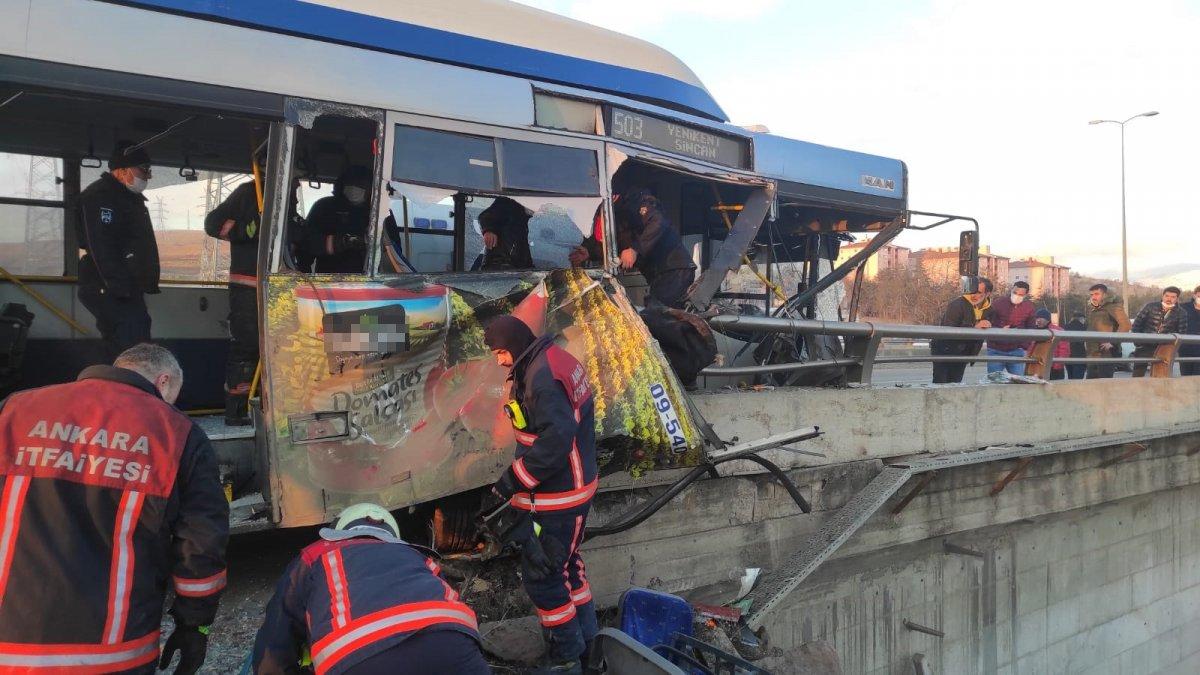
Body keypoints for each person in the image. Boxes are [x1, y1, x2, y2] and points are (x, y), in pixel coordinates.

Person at [0, 344, 228, 674]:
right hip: (113, 652)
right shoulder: (175, 432)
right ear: (163, 383)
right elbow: (201, 542)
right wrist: (195, 626)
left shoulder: (15, 410)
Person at [482, 316, 598, 674]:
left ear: (515, 344)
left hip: (559, 497)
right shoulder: (551, 359)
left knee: (544, 577)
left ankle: (565, 659)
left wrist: (512, 480)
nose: (500, 360)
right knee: (569, 570)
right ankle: (591, 653)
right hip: (575, 491)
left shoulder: (542, 378)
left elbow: (556, 439)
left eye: (501, 352)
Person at [251, 503, 488, 675]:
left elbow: (275, 644)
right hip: (453, 641)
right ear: (391, 536)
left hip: (356, 655)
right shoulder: (417, 556)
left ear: (340, 531)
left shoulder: (316, 554)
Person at [76, 141, 161, 357]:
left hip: (127, 287)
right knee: (129, 346)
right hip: (110, 287)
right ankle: (122, 388)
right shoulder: (99, 197)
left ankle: (128, 387)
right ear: (122, 171)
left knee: (137, 341)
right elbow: (100, 246)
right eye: (143, 169)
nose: (148, 176)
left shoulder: (129, 199)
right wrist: (119, 287)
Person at [205, 175, 262, 425]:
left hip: (276, 288)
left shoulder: (287, 196)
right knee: (246, 347)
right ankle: (238, 412)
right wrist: (249, 230)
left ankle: (262, 407)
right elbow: (213, 224)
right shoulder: (249, 192)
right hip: (247, 286)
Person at [613, 188, 696, 309]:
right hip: (658, 274)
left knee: (659, 316)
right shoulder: (613, 217)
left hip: (673, 269)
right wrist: (589, 253)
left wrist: (634, 249)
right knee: (659, 312)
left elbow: (658, 222)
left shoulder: (635, 204)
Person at [305, 165, 371, 273]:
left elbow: (392, 252)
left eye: (362, 184)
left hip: (370, 283)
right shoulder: (324, 206)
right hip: (328, 280)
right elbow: (307, 244)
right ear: (342, 184)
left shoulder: (380, 213)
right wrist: (340, 242)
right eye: (351, 182)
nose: (355, 187)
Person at [930, 277, 993, 384]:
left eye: (978, 293)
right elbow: (949, 329)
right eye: (972, 291)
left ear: (987, 294)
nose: (973, 295)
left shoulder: (989, 309)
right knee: (940, 384)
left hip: (964, 352)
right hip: (944, 350)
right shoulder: (957, 304)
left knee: (955, 384)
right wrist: (975, 328)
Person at [1129, 286, 1188, 377]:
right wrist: (1138, 342)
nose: (1169, 299)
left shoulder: (1181, 313)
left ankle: (1159, 391)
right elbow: (1137, 324)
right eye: (1167, 296)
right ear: (1162, 296)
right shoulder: (1150, 306)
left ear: (1177, 298)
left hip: (1164, 348)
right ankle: (1135, 391)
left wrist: (1172, 348)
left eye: (1173, 297)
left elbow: (1181, 333)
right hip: (1145, 345)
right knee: (1138, 373)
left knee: (1161, 375)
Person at [984, 281, 1037, 375]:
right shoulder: (998, 303)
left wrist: (1023, 345)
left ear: (1026, 295)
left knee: (1018, 382)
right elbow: (987, 322)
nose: (1017, 296)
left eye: (1020, 294)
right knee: (995, 381)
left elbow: (1031, 328)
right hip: (996, 349)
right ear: (1011, 290)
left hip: (1016, 350)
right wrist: (1000, 330)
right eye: (1015, 293)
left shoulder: (1029, 307)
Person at [1084, 283, 1131, 379]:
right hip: (1093, 353)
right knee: (1091, 386)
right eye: (1091, 295)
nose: (1093, 297)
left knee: (1103, 386)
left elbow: (1126, 325)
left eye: (1097, 294)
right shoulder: (1094, 309)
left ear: (1104, 295)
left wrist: (1112, 343)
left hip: (1106, 354)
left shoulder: (1112, 306)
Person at [480, 196, 534, 270]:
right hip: (498, 269)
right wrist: (488, 230)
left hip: (516, 272)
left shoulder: (524, 225)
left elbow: (526, 261)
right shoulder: (509, 203)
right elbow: (486, 217)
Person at [1033, 308, 1069, 380]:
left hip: (1054, 367)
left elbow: (1064, 349)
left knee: (1055, 388)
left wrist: (1057, 365)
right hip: (1039, 366)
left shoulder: (1058, 331)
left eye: (1041, 318)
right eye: (1037, 318)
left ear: (1048, 319)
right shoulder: (1035, 331)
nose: (1038, 320)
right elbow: (1031, 347)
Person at [1181, 285, 1200, 376]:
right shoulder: (1183, 307)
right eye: (1199, 296)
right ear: (1194, 295)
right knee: (1186, 376)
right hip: (1186, 347)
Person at [1064, 313, 1089, 380]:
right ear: (1081, 319)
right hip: (1080, 357)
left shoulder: (1065, 327)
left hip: (1068, 357)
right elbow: (1087, 343)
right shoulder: (1084, 327)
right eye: (1084, 320)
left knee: (1070, 378)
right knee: (1078, 380)